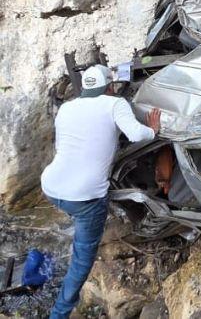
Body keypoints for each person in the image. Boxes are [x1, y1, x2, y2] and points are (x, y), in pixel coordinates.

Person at [41, 64, 160, 319]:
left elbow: (66, 146)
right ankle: (59, 314)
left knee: (78, 216)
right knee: (81, 263)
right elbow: (136, 134)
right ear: (109, 86)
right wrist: (153, 130)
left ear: (84, 87)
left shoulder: (66, 108)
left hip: (51, 187)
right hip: (85, 197)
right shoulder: (114, 104)